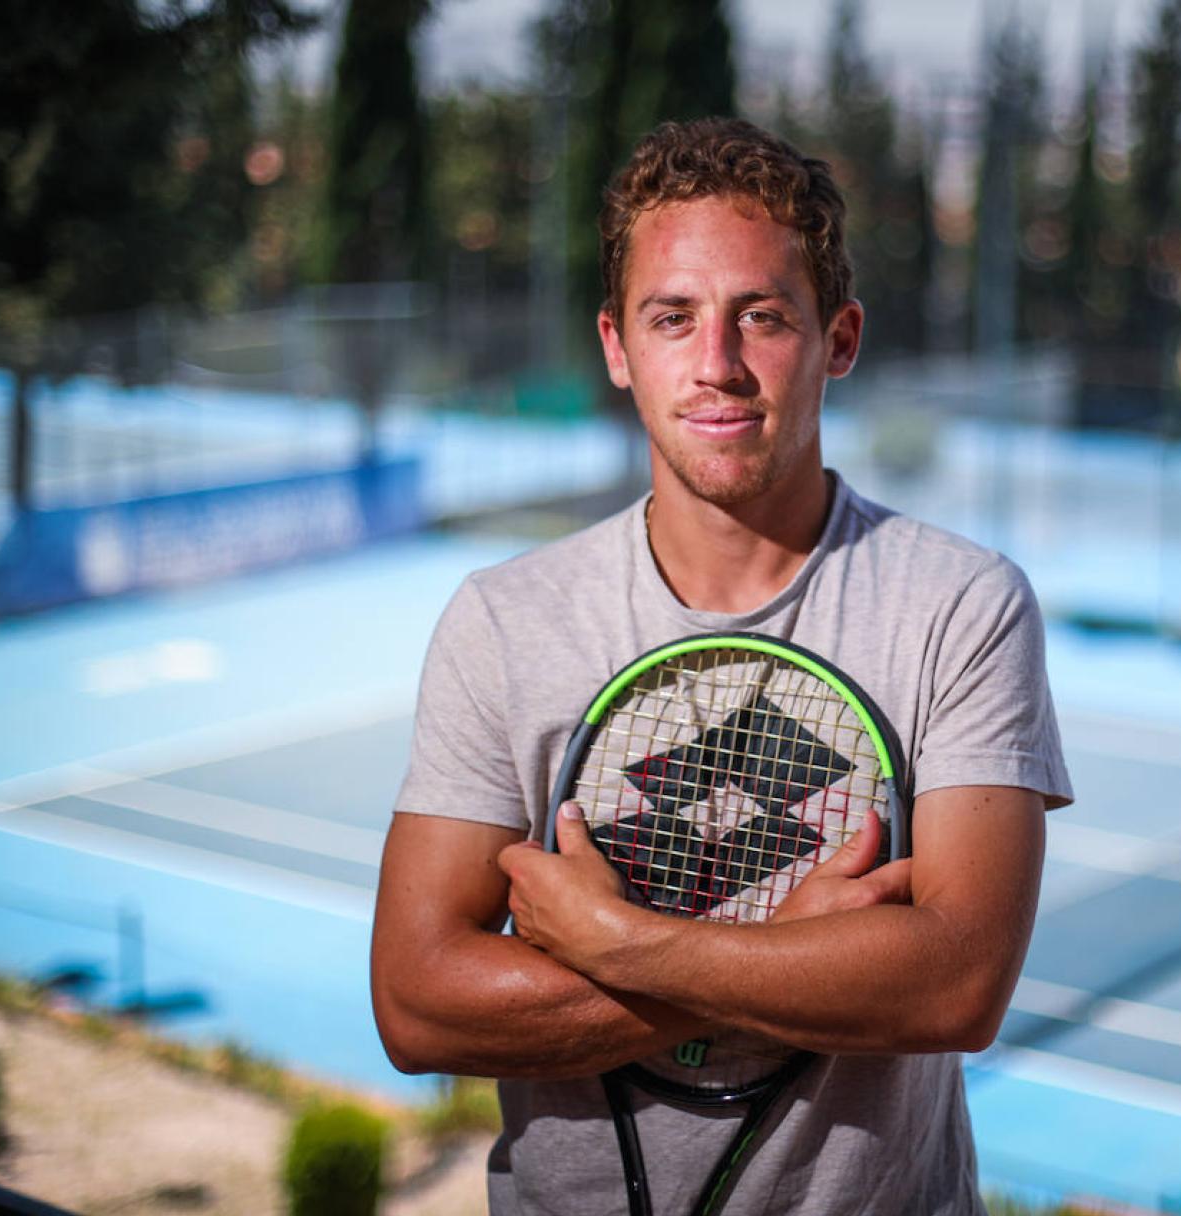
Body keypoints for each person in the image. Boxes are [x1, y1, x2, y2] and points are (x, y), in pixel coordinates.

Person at [370, 117, 1073, 1216]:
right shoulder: (503, 621)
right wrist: (788, 953)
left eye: (763, 317)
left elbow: (956, 984)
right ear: (616, 346)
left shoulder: (960, 606)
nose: (717, 365)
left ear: (838, 339)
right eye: (673, 318)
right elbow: (417, 1005)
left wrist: (617, 943)